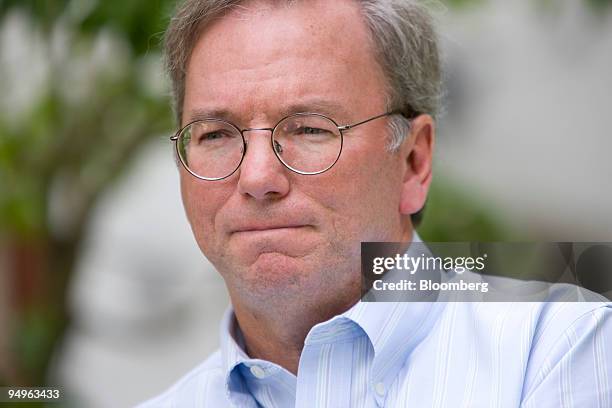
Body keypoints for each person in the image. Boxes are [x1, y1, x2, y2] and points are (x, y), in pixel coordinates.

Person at [139, 0, 612, 406]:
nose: (258, 177)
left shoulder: (557, 355)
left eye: (309, 128)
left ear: (413, 161)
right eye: (216, 134)